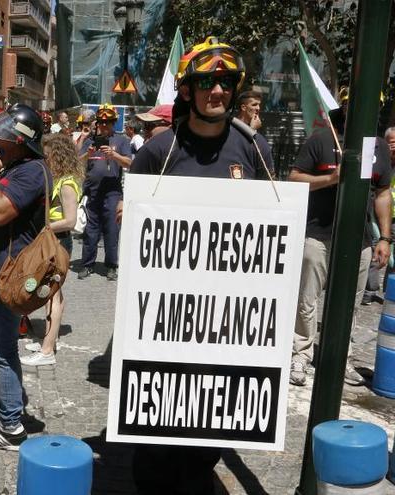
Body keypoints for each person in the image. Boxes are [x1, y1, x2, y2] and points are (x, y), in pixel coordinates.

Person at [127, 36, 274, 495]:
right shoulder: (158, 151)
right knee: (154, 437)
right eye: (207, 82)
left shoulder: (255, 150)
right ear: (188, 90)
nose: (217, 91)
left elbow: (272, 226)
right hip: (163, 320)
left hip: (224, 322)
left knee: (207, 430)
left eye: (226, 82)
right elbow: (136, 227)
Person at [288, 88, 391, 387]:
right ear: (344, 108)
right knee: (307, 300)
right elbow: (295, 180)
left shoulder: (378, 147)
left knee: (351, 304)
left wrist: (384, 237)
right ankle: (301, 354)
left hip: (358, 241)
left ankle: (340, 359)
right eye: (356, 104)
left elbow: (382, 193)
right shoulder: (322, 138)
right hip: (318, 236)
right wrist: (332, 178)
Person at [0, 103, 50, 450]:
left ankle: (10, 425)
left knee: (1, 349)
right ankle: (3, 407)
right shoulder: (20, 166)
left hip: (6, 274)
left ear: (21, 141)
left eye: (4, 136)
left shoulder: (30, 171)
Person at [20, 132, 82, 367]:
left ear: (58, 156)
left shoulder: (67, 184)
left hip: (58, 242)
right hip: (53, 240)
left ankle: (47, 351)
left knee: (53, 294)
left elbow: (70, 220)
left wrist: (45, 228)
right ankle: (49, 339)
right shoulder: (60, 179)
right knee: (52, 293)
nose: (45, 160)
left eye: (48, 156)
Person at [76, 104, 131, 281]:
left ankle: (111, 266)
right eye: (101, 122)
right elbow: (78, 163)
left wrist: (114, 156)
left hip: (112, 192)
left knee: (111, 230)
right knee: (90, 230)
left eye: (108, 122)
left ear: (114, 123)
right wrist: (88, 154)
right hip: (92, 192)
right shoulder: (90, 141)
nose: (104, 125)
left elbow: (129, 163)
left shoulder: (121, 141)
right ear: (97, 123)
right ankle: (87, 264)